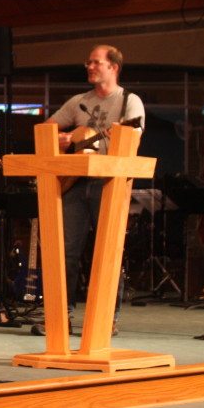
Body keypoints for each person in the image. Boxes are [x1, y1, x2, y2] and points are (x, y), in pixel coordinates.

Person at [45, 44, 145, 335]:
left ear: (113, 67)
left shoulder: (129, 102)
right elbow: (47, 128)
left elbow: (134, 135)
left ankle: (105, 319)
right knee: (65, 251)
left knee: (108, 251)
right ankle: (60, 316)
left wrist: (121, 132)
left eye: (95, 62)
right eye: (88, 62)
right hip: (75, 185)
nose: (89, 67)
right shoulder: (78, 102)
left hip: (109, 184)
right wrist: (63, 138)